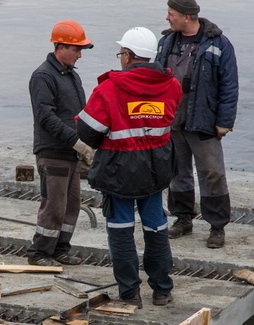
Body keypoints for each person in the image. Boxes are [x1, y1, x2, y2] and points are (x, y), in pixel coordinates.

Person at [77, 27, 182, 308]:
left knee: (121, 231)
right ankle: (162, 290)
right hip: (156, 170)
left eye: (121, 52)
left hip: (119, 172)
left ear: (128, 56)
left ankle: (130, 294)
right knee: (157, 228)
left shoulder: (110, 88)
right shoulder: (171, 85)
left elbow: (88, 131)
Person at [155, 0, 238, 249]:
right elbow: (156, 80)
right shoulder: (166, 42)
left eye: (171, 14)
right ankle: (183, 218)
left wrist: (224, 122)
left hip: (204, 122)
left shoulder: (219, 44)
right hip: (173, 120)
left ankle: (217, 226)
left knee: (212, 174)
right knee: (177, 173)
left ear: (187, 17)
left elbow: (229, 86)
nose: (167, 18)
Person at [26, 19, 95, 267]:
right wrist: (76, 141)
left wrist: (88, 141)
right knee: (54, 206)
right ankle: (39, 253)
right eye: (76, 50)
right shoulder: (43, 76)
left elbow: (80, 113)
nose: (79, 55)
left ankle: (60, 250)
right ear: (61, 47)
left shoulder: (71, 77)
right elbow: (45, 117)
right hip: (53, 152)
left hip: (71, 153)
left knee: (71, 205)